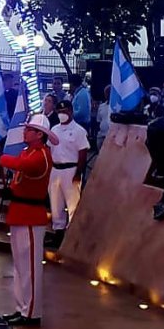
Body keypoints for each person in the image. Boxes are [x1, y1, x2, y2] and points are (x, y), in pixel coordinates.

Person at [0, 113, 57, 327]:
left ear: (39, 135)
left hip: (32, 215)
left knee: (30, 266)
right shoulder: (28, 151)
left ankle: (31, 312)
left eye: (29, 130)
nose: (25, 132)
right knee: (21, 266)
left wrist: (1, 158)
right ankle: (21, 307)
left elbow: (24, 166)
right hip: (20, 211)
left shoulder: (41, 155)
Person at [48, 100, 90, 247]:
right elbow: (49, 150)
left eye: (65, 111)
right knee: (55, 202)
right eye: (59, 112)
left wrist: (79, 172)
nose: (62, 114)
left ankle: (72, 236)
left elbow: (83, 152)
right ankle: (58, 233)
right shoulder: (54, 129)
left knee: (73, 204)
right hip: (55, 169)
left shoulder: (79, 131)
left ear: (71, 112)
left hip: (71, 170)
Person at [96, 84, 112, 151]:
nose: (108, 94)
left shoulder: (117, 107)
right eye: (106, 93)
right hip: (101, 135)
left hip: (111, 136)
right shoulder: (101, 106)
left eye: (109, 92)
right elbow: (98, 120)